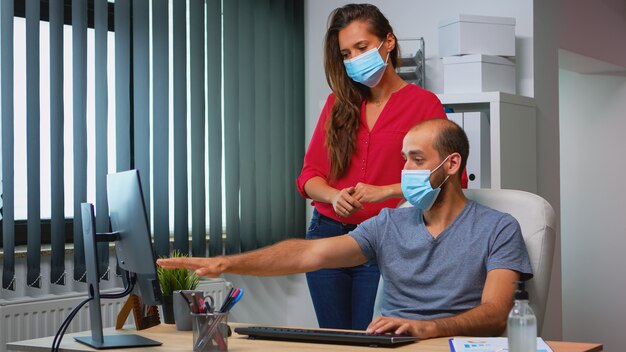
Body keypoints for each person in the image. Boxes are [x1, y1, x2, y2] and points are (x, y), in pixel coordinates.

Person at [158, 119, 532, 338]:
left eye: (417, 160)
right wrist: (226, 263)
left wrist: (425, 328)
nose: (406, 171)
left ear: (452, 165)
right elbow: (309, 253)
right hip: (390, 345)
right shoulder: (388, 224)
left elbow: (496, 313)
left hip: (447, 345)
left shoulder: (498, 228)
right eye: (405, 160)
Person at [295, 3, 449, 330]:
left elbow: (449, 178)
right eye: (346, 53)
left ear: (388, 42)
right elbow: (309, 176)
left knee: (374, 339)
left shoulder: (425, 105)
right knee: (335, 340)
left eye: (362, 48)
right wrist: (334, 196)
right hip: (327, 236)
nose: (354, 59)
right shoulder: (337, 104)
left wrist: (387, 191)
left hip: (385, 241)